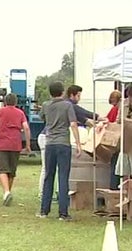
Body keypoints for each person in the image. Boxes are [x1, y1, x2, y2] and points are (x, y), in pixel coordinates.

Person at [38, 81, 81, 220]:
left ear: (50, 93)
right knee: (63, 177)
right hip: (63, 144)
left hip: (50, 143)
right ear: (63, 92)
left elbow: (42, 118)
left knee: (48, 176)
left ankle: (44, 210)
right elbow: (73, 124)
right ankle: (63, 212)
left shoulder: (45, 105)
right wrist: (78, 144)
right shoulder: (67, 106)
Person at [0, 93, 32, 206]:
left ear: (5, 102)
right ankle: (7, 192)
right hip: (15, 144)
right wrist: (28, 144)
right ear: (16, 102)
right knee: (12, 171)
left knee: (2, 170)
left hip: (2, 143)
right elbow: (26, 128)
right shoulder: (20, 113)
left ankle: (6, 192)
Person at [105, 90, 122, 189]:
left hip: (115, 142)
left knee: (115, 166)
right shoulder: (121, 108)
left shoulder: (115, 109)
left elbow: (109, 121)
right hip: (120, 142)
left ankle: (113, 188)